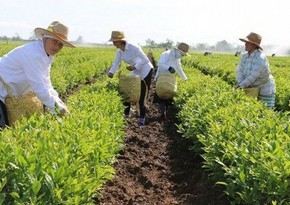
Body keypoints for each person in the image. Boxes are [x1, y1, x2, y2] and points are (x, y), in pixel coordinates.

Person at [0, 21, 75, 128]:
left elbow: (46, 83)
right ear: (45, 37)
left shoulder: (46, 55)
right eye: (54, 41)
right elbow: (38, 86)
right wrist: (57, 108)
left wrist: (59, 103)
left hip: (8, 92)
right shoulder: (33, 54)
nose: (57, 47)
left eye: (60, 44)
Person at [107, 31, 153, 126]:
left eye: (115, 42)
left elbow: (145, 60)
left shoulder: (134, 47)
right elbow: (115, 63)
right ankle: (126, 114)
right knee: (129, 92)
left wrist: (135, 66)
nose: (113, 44)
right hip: (135, 71)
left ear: (120, 41)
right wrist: (111, 72)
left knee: (142, 95)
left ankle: (142, 117)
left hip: (145, 71)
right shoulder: (119, 51)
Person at [236, 32, 276, 109]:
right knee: (254, 109)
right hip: (252, 86)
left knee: (266, 111)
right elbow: (239, 70)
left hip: (265, 87)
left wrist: (240, 86)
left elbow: (253, 76)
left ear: (254, 45)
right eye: (245, 42)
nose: (245, 44)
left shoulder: (260, 58)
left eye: (248, 43)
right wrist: (239, 81)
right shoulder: (244, 56)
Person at [153, 42, 189, 121]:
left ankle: (165, 113)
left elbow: (179, 69)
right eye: (182, 54)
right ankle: (163, 113)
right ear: (178, 51)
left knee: (169, 96)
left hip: (170, 79)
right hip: (162, 77)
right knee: (161, 96)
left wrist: (185, 78)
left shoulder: (177, 58)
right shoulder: (167, 54)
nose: (182, 56)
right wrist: (169, 68)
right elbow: (160, 64)